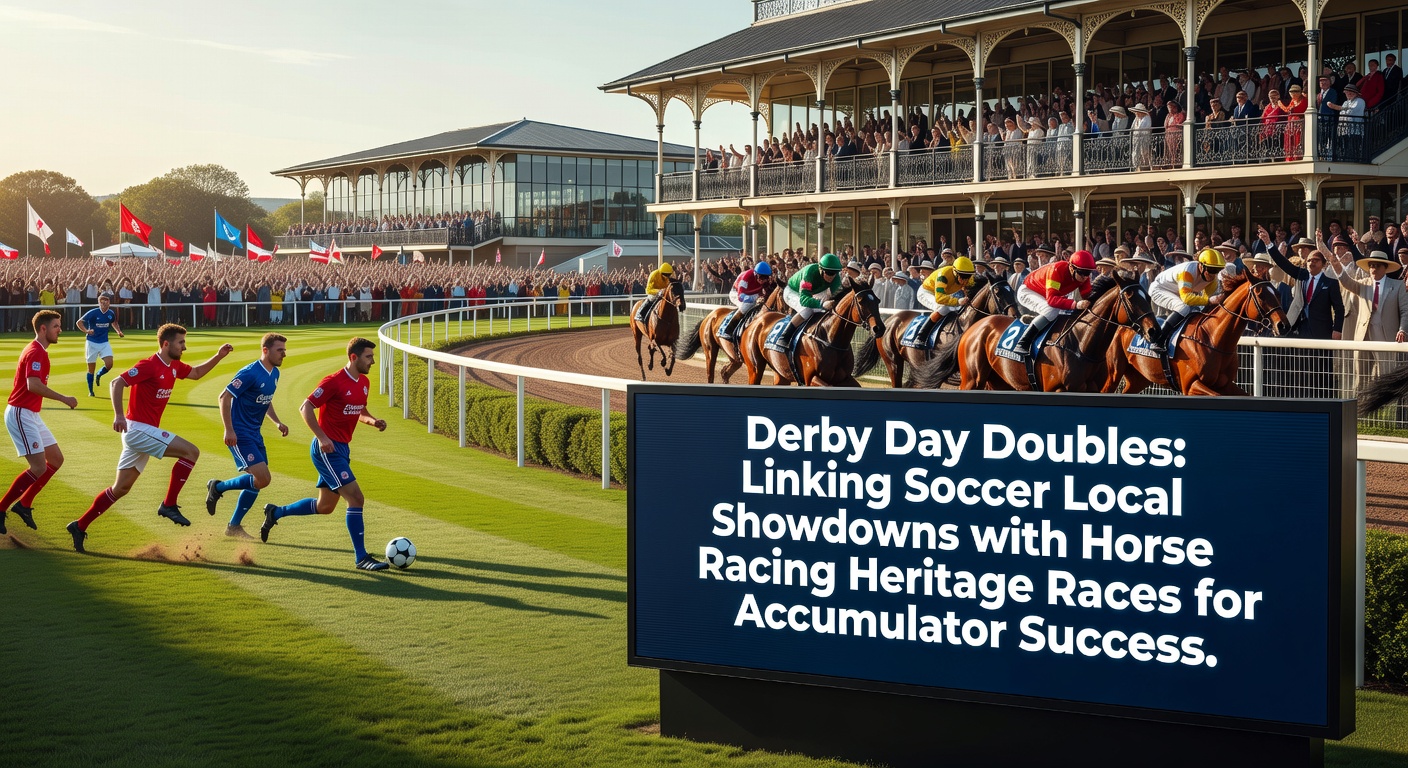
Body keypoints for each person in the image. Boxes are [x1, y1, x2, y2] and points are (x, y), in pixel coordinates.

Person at [65, 324, 234, 553]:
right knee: (191, 452)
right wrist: (118, 415)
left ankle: (79, 525)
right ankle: (169, 504)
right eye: (180, 343)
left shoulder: (173, 365)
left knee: (120, 488)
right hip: (137, 429)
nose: (184, 347)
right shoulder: (149, 365)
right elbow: (117, 382)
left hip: (143, 432)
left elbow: (194, 373)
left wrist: (218, 356)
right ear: (166, 344)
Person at [259, 338, 391, 571]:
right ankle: (361, 558)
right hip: (327, 450)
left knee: (325, 506)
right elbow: (305, 407)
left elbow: (359, 409)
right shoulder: (333, 381)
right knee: (356, 498)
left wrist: (372, 421)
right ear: (353, 358)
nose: (373, 361)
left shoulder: (364, 382)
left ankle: (275, 512)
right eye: (368, 357)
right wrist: (322, 438)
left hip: (342, 448)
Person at [205, 333, 291, 539]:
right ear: (265, 350)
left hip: (255, 434)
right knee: (262, 478)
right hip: (240, 434)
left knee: (259, 482)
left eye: (284, 350)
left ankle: (233, 525)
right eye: (280, 350)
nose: (284, 354)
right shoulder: (250, 373)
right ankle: (218, 487)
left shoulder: (275, 373)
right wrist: (229, 429)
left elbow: (266, 400)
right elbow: (223, 397)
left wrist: (277, 422)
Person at [0, 311, 78, 534]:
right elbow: (32, 385)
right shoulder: (36, 352)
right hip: (21, 413)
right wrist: (64, 398)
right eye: (56, 326)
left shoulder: (40, 351)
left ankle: (24, 504)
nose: (59, 330)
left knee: (56, 459)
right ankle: (1, 509)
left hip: (31, 413)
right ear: (43, 329)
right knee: (38, 467)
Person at [1013, 250, 1097, 356]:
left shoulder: (1083, 278)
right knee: (1052, 309)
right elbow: (1052, 300)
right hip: (1027, 291)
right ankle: (1023, 343)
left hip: (1044, 294)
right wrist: (1076, 304)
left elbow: (1088, 295)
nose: (1085, 277)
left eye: (1088, 273)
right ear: (1071, 268)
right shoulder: (1057, 270)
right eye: (1082, 273)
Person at [1147, 248, 1225, 351]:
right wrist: (1210, 301)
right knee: (1183, 307)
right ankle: (1159, 340)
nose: (1213, 275)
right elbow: (1187, 298)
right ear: (1201, 266)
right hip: (1159, 289)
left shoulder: (1213, 281)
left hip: (1177, 293)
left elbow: (1205, 303)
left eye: (1217, 270)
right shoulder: (1187, 271)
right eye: (1211, 269)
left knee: (1196, 310)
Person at [777, 253, 843, 348]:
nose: (831, 276)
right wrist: (821, 304)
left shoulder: (836, 280)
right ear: (821, 269)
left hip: (811, 293)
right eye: (828, 273)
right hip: (792, 291)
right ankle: (784, 337)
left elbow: (831, 299)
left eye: (834, 273)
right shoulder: (810, 272)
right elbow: (804, 300)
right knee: (807, 309)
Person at [912, 256, 976, 341]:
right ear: (955, 272)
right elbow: (939, 299)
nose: (965, 279)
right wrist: (957, 301)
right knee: (942, 307)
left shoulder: (968, 277)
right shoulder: (943, 275)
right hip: (926, 292)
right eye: (962, 276)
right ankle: (921, 335)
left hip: (944, 293)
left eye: (967, 276)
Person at [77, 292, 123, 397]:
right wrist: (87, 331)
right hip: (91, 342)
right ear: (99, 302)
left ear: (109, 302)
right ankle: (91, 391)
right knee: (91, 369)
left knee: (109, 364)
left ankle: (99, 374)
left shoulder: (111, 313)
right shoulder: (93, 312)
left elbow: (114, 323)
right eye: (101, 301)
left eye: (105, 301)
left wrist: (118, 331)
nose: (103, 303)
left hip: (104, 342)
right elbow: (79, 322)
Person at [721, 261, 775, 340]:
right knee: (747, 305)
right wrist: (756, 297)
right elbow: (741, 297)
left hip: (752, 294)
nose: (763, 280)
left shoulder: (765, 280)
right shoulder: (747, 276)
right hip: (736, 293)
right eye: (762, 278)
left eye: (766, 278)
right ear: (756, 274)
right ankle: (728, 330)